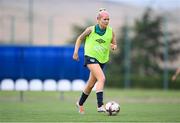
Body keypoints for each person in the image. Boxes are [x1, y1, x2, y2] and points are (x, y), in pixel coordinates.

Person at [72, 8, 117, 114]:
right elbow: (79, 38)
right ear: (98, 19)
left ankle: (80, 103)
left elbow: (114, 43)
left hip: (102, 60)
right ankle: (100, 105)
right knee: (102, 78)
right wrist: (75, 52)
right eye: (104, 19)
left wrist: (113, 46)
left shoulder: (111, 31)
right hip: (90, 57)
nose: (106, 21)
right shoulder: (90, 30)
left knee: (91, 84)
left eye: (108, 19)